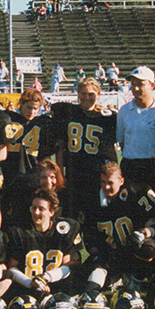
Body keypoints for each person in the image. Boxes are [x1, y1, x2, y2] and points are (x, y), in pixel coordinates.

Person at [80, 162, 155, 294]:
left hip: (133, 250)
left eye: (110, 183)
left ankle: (136, 279)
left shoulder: (136, 193)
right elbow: (88, 234)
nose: (106, 187)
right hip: (110, 254)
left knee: (148, 247)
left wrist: (144, 233)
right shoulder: (92, 201)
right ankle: (114, 280)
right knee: (84, 275)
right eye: (103, 182)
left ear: (121, 181)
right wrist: (97, 255)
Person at [53, 78, 117, 217]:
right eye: (83, 93)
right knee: (71, 215)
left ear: (98, 95)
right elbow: (60, 148)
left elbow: (111, 151)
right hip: (73, 173)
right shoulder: (68, 113)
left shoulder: (107, 118)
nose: (86, 97)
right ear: (77, 94)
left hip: (96, 174)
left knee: (95, 215)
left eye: (91, 94)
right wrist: (60, 172)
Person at [5, 188, 83, 297]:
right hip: (25, 289)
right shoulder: (20, 232)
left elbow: (69, 264)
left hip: (57, 286)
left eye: (41, 209)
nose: (36, 212)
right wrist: (31, 283)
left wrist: (46, 277)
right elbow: (12, 267)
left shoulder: (64, 230)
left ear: (51, 212)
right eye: (34, 208)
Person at [116, 67, 155, 194]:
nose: (136, 88)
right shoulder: (124, 110)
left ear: (152, 85)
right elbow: (121, 141)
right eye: (133, 84)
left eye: (140, 84)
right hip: (130, 165)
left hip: (153, 167)